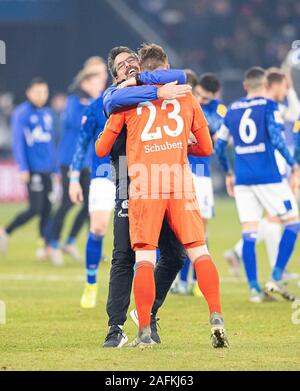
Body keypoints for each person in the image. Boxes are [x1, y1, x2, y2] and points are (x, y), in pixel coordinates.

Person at [96, 43, 228, 349]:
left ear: (142, 67)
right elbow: (207, 149)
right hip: (173, 181)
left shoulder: (125, 105)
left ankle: (144, 327)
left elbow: (101, 148)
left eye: (132, 61)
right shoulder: (177, 94)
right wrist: (182, 140)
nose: (128, 66)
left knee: (147, 255)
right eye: (121, 64)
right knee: (197, 251)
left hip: (143, 181)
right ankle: (215, 315)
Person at [215, 66, 300, 303]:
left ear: (244, 86)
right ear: (264, 86)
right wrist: (293, 164)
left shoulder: (231, 109)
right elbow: (276, 137)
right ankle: (275, 275)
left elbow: (220, 146)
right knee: (293, 222)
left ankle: (254, 289)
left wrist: (228, 173)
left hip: (242, 178)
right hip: (269, 176)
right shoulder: (269, 106)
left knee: (249, 231)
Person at [173, 72, 227, 294]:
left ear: (213, 95)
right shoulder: (186, 105)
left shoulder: (219, 109)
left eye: (205, 98)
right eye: (198, 96)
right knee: (186, 230)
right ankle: (183, 281)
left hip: (203, 174)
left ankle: (196, 281)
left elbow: (217, 135)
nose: (201, 100)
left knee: (202, 231)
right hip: (185, 170)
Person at [68, 60, 115, 309]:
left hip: (129, 172)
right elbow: (82, 144)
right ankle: (90, 283)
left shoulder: (129, 103)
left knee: (135, 233)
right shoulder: (94, 108)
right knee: (97, 228)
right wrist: (74, 178)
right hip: (101, 173)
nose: (100, 80)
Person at [47, 69, 106, 266]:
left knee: (90, 203)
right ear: (85, 83)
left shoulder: (95, 103)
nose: (100, 86)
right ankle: (53, 244)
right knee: (66, 202)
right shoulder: (73, 102)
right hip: (68, 161)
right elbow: (77, 123)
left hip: (86, 162)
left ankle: (70, 241)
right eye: (96, 82)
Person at [0, 78, 57, 255]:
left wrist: (55, 169)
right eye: (38, 92)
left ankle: (44, 244)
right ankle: (5, 231)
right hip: (32, 169)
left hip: (47, 168)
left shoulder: (48, 113)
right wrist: (22, 167)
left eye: (45, 92)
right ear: (29, 93)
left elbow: (51, 144)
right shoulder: (22, 113)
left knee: (48, 208)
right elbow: (18, 142)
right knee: (36, 208)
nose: (42, 96)